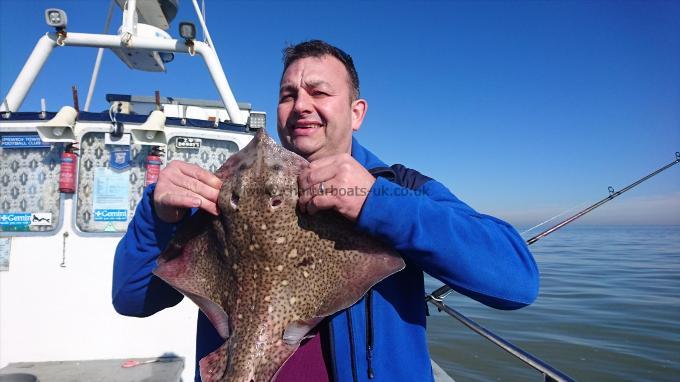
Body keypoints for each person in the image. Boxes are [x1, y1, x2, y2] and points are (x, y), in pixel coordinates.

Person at [112, 40, 539, 381]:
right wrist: (157, 215)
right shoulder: (228, 198)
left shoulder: (400, 188)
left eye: (319, 92)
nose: (301, 105)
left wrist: (376, 202)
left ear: (356, 113)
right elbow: (132, 299)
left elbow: (516, 280)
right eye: (288, 94)